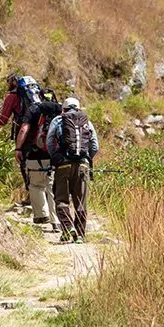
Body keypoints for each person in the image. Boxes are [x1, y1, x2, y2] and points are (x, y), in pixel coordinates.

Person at [46, 97, 99, 243]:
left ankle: (68, 228)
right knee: (80, 201)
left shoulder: (58, 120)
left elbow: (49, 142)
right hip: (82, 165)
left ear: (64, 109)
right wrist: (86, 158)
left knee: (61, 200)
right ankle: (80, 236)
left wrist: (56, 157)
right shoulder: (87, 122)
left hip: (63, 165)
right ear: (79, 108)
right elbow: (95, 146)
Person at [14, 98, 63, 230]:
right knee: (52, 188)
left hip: (34, 155)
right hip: (53, 156)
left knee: (35, 185)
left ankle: (42, 215)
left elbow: (24, 129)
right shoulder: (59, 109)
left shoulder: (33, 110)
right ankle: (56, 222)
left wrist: (18, 148)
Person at [0, 73, 29, 197]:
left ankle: (31, 196)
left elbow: (3, 120)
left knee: (24, 163)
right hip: (38, 131)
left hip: (23, 134)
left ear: (11, 83)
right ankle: (41, 197)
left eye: (7, 83)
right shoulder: (30, 96)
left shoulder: (11, 97)